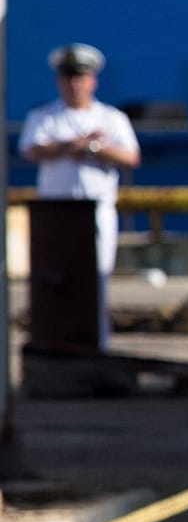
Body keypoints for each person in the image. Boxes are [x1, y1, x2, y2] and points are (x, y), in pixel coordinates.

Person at [19, 43, 141, 351]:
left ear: (92, 81)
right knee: (53, 280)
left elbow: (130, 157)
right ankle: (55, 342)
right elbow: (32, 149)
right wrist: (72, 144)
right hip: (55, 211)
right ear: (60, 82)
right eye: (68, 78)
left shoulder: (111, 118)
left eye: (80, 78)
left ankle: (97, 345)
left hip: (96, 209)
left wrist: (94, 148)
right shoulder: (46, 117)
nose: (74, 85)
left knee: (95, 280)